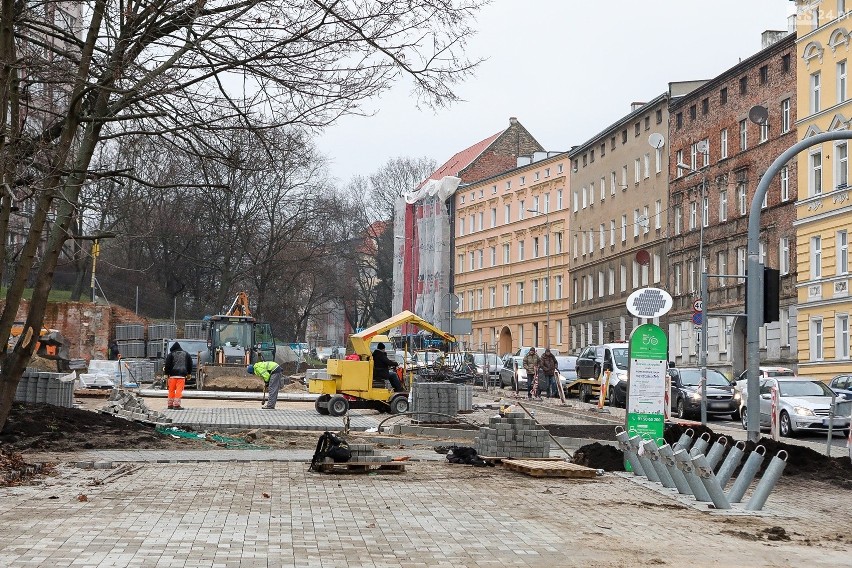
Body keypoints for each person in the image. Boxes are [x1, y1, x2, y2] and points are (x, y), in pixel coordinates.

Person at [164, 342, 193, 410]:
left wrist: (166, 373)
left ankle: (170, 404)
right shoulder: (186, 354)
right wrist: (189, 373)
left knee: (171, 390)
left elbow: (167, 364)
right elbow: (190, 364)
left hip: (172, 376)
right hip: (182, 375)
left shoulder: (171, 354)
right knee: (179, 390)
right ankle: (176, 405)